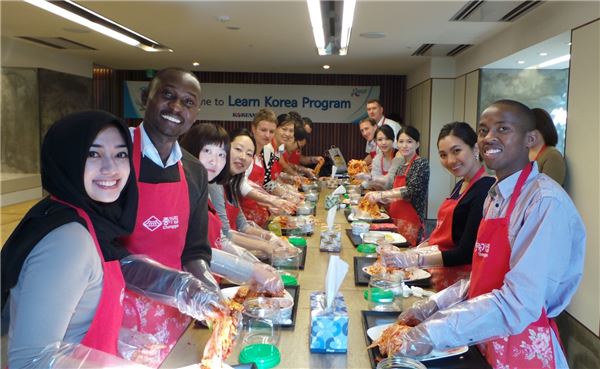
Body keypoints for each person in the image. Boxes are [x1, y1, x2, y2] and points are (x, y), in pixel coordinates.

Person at [1, 111, 226, 369]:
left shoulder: (87, 218)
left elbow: (115, 267)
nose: (110, 168)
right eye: (93, 154)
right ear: (66, 158)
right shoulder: (68, 239)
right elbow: (30, 361)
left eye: (120, 154)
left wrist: (185, 292)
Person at [385, 100, 585, 369]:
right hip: (481, 335)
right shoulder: (496, 196)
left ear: (530, 139)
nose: (489, 138)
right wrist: (434, 305)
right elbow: (481, 276)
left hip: (520, 343)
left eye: (503, 129)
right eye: (483, 131)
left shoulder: (544, 201)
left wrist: (435, 331)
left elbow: (519, 302)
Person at [118, 67, 224, 366]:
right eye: (167, 95)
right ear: (145, 97)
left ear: (197, 112)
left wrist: (207, 289)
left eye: (188, 102)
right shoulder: (114, 155)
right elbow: (102, 251)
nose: (177, 107)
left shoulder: (194, 171)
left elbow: (194, 249)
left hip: (174, 317)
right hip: (120, 319)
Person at [380, 122, 495, 290]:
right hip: (438, 274)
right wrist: (417, 250)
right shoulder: (462, 183)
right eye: (443, 155)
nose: (450, 160)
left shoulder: (484, 189)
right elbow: (443, 235)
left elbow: (465, 253)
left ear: (475, 148)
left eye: (457, 151)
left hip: (458, 285)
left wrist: (416, 258)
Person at [178, 123, 284, 292]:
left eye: (221, 154)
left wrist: (257, 258)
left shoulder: (214, 184)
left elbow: (222, 237)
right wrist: (252, 266)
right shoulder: (185, 191)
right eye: (207, 151)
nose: (215, 161)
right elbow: (193, 251)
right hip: (189, 287)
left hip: (211, 280)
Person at [365, 126, 429, 246]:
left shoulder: (421, 163)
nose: (404, 145)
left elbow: (410, 192)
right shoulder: (401, 166)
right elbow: (394, 193)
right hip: (395, 219)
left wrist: (381, 194)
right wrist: (379, 200)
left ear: (417, 144)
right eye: (401, 142)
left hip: (411, 224)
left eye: (409, 142)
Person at [240, 109, 295, 227]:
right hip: (245, 218)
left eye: (271, 131)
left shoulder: (269, 151)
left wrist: (285, 194)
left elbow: (268, 180)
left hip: (260, 215)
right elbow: (242, 185)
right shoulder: (248, 154)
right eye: (263, 130)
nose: (267, 135)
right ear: (253, 128)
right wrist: (272, 199)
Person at [529, 107, 566, 186]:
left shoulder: (552, 156)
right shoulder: (523, 153)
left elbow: (548, 191)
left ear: (542, 130)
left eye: (530, 129)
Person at [360, 125, 398, 190]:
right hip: (383, 196)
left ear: (393, 139)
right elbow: (374, 176)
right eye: (380, 140)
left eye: (387, 139)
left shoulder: (399, 156)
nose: (384, 143)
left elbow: (390, 181)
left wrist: (371, 179)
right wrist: (361, 187)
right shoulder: (377, 158)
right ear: (375, 141)